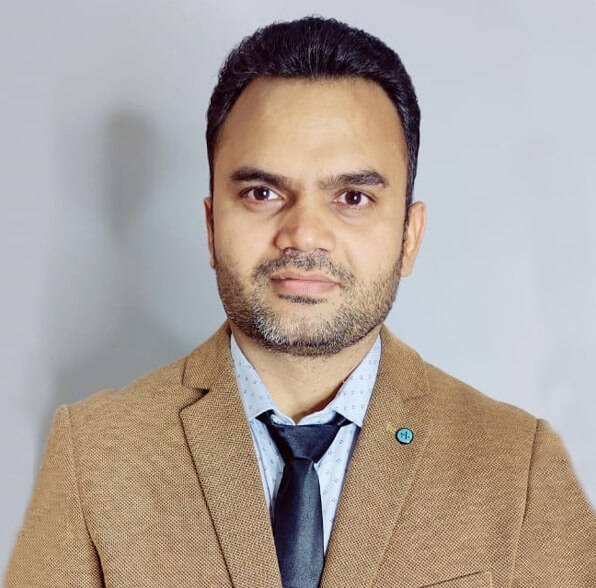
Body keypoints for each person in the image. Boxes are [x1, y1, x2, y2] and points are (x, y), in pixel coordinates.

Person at [5, 15, 595, 588]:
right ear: (211, 227)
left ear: (409, 237)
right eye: (262, 192)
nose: (305, 234)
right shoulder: (93, 454)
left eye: (353, 197)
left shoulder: (519, 467)